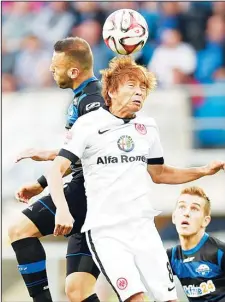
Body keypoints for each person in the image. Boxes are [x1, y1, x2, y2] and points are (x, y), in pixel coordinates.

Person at [46, 55, 225, 302]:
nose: (139, 92)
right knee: (134, 298)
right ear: (111, 90)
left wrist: (202, 170)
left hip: (143, 228)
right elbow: (56, 170)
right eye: (131, 86)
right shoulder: (88, 124)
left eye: (143, 88)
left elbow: (160, 173)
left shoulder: (148, 127)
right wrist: (62, 210)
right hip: (106, 231)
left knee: (168, 298)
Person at [8, 37, 104, 302]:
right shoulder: (83, 97)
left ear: (74, 71)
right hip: (86, 192)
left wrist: (47, 163)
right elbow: (78, 151)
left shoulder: (94, 101)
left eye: (55, 65)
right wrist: (40, 183)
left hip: (87, 191)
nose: (51, 70)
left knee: (19, 230)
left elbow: (92, 151)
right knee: (78, 292)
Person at [167, 186, 225, 302]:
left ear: (205, 221)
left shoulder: (219, 252)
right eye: (182, 207)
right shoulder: (172, 256)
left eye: (194, 209)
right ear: (174, 217)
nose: (186, 213)